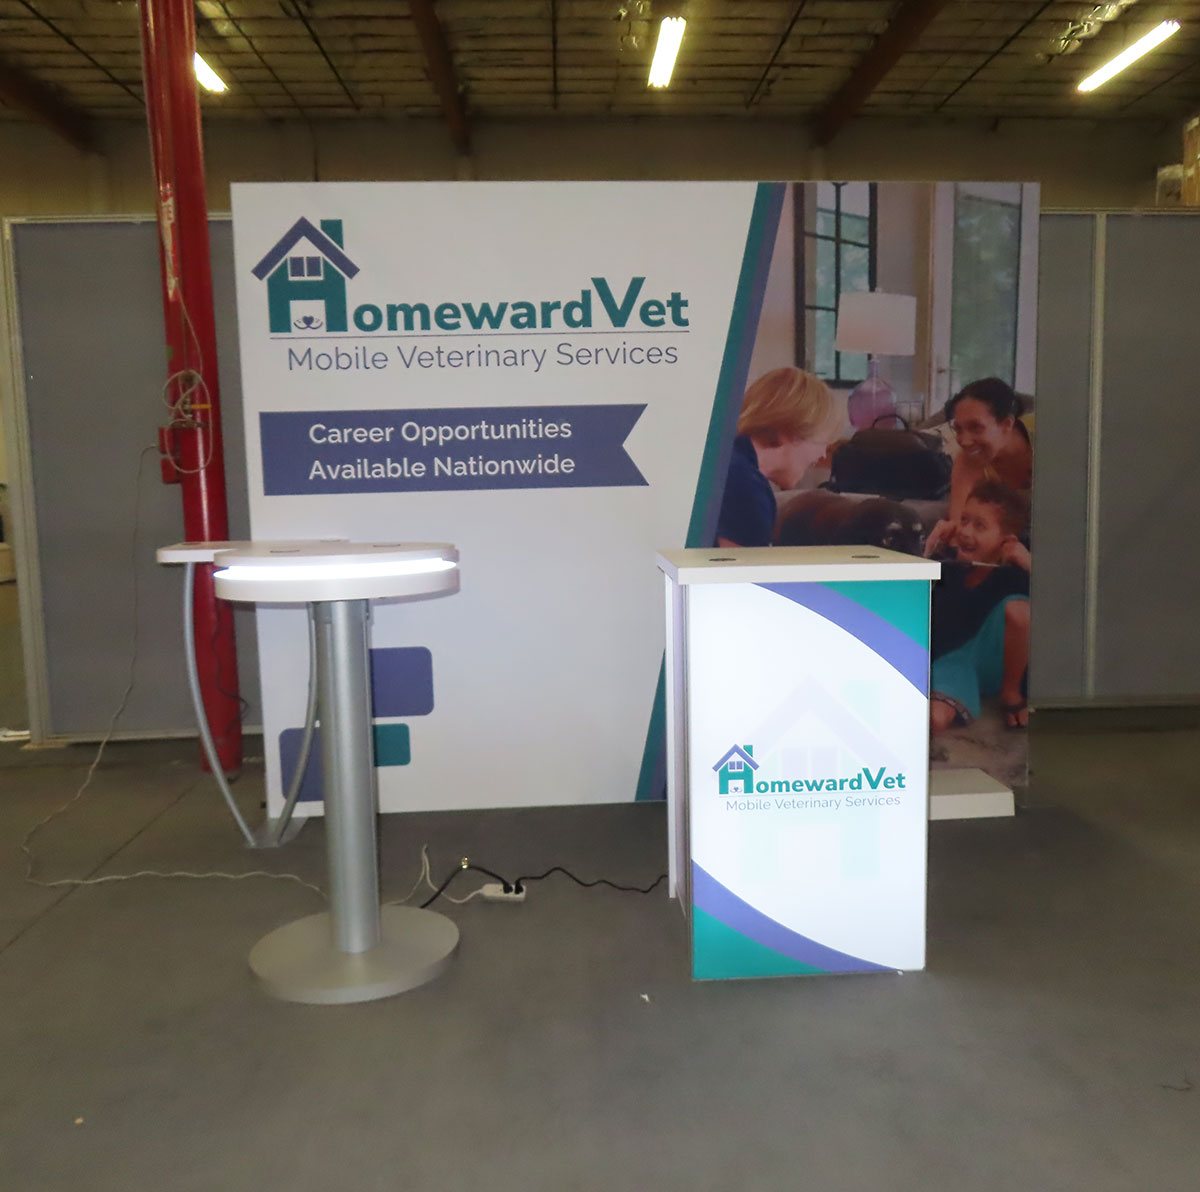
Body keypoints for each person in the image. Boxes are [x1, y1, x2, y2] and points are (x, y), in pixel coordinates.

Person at [930, 480, 1031, 732]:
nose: (965, 531)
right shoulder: (949, 565)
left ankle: (1010, 694)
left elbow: (1063, 608)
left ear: (1006, 541)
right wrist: (930, 551)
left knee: (1020, 610)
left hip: (996, 662)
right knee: (935, 718)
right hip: (954, 662)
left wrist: (1031, 565)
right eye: (964, 520)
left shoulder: (1016, 574)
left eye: (979, 526)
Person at [716, 367, 838, 547]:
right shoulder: (745, 486)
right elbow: (743, 565)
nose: (822, 454)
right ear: (794, 430)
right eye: (823, 442)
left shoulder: (725, 461)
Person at [924, 378, 1032, 558]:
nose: (964, 441)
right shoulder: (968, 460)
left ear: (1007, 424)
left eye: (976, 427)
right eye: (958, 429)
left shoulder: (1049, 444)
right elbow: (959, 532)